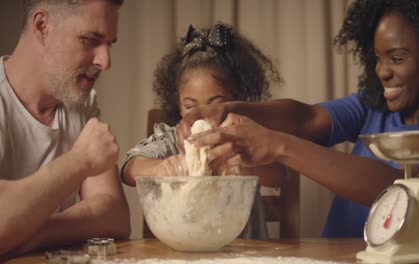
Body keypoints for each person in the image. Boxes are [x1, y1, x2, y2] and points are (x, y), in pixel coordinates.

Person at [176, 0, 419, 238]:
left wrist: (279, 146)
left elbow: (405, 190)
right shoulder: (373, 106)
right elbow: (307, 118)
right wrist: (224, 110)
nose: (382, 71)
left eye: (397, 58)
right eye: (378, 58)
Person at [121, 22, 285, 240]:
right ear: (178, 105)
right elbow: (128, 168)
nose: (201, 114)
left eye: (215, 103)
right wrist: (164, 167)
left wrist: (235, 166)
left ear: (238, 101)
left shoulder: (243, 140)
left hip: (245, 251)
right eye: (190, 106)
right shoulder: (171, 139)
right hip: (184, 249)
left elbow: (278, 175)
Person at [0, 0, 130, 257]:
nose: (105, 61)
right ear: (42, 25)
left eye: (109, 44)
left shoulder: (79, 102)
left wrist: (34, 231)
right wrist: (80, 160)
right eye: (90, 39)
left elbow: (114, 215)